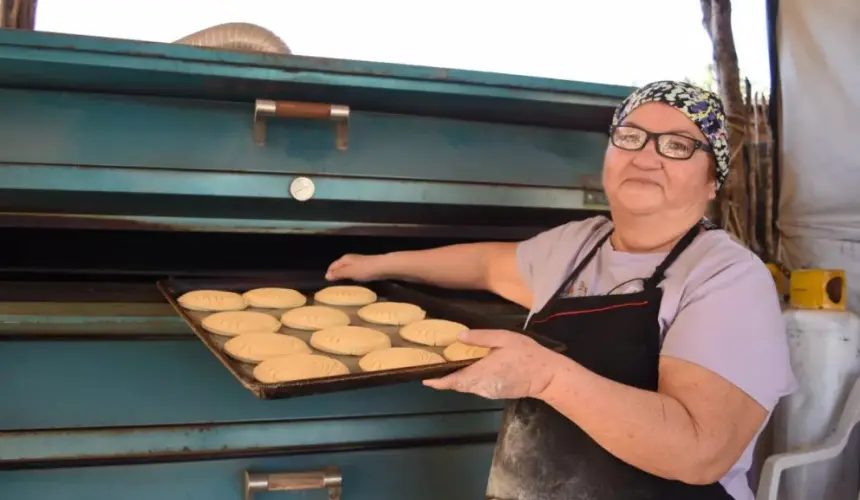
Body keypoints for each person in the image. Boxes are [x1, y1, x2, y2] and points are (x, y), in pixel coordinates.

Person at [325, 80, 797, 500]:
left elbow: (701, 451)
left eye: (677, 145)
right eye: (630, 137)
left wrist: (546, 377)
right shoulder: (579, 244)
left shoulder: (728, 277)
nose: (646, 156)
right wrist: (378, 264)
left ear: (713, 179)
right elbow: (486, 265)